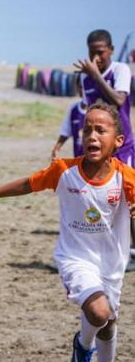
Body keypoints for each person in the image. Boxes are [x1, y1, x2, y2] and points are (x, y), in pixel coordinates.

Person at [0, 101, 134, 362]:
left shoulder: (127, 178)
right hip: (75, 259)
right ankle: (83, 346)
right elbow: (28, 184)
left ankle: (84, 346)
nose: (92, 136)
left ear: (118, 140)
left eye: (101, 131)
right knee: (99, 313)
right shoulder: (64, 171)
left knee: (108, 324)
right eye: (86, 130)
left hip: (112, 264)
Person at [75, 29, 135, 272]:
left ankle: (131, 251)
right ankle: (111, 249)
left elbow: (118, 101)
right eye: (92, 52)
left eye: (100, 52)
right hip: (100, 151)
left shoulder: (120, 70)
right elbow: (92, 111)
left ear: (110, 50)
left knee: (129, 199)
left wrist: (95, 74)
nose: (96, 57)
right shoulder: (84, 78)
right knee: (102, 199)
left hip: (123, 146)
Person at [51, 75, 87, 160]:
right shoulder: (73, 109)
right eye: (80, 87)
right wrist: (57, 148)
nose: (83, 91)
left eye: (85, 87)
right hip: (78, 159)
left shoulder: (98, 110)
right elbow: (66, 131)